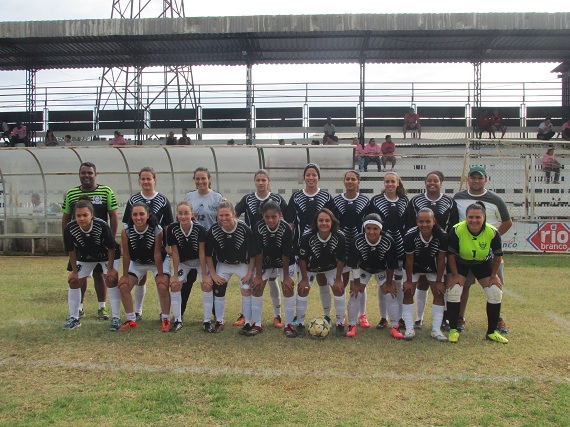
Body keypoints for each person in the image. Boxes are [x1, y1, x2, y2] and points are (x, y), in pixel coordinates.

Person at [452, 166, 512, 334]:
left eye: (480, 177)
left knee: (495, 285)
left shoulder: (496, 199)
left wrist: (490, 239)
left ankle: (496, 318)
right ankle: (459, 317)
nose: (476, 180)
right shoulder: (458, 197)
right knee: (463, 286)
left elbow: (507, 222)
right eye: (473, 177)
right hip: (464, 253)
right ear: (468, 179)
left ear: (486, 179)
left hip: (489, 254)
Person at [61, 162, 119, 321]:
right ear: (79, 174)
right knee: (79, 276)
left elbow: (113, 215)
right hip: (81, 243)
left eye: (89, 173)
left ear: (95, 174)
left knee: (100, 276)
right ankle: (78, 308)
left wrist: (111, 240)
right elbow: (66, 217)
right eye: (83, 173)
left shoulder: (106, 191)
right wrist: (68, 240)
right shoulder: (71, 193)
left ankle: (102, 308)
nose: (86, 176)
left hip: (102, 244)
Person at [446, 202, 508, 344]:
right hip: (461, 262)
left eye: (478, 217)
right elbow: (450, 255)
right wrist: (455, 275)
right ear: (466, 218)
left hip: (483, 263)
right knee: (454, 290)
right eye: (470, 217)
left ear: (484, 217)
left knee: (495, 292)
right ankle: (453, 330)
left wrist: (493, 276)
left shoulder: (492, 232)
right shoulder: (456, 230)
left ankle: (491, 332)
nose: (474, 220)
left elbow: (498, 256)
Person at [235, 169, 288, 328]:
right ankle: (246, 314)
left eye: (263, 180)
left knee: (272, 280)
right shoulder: (248, 199)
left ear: (268, 181)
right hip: (254, 246)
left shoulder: (277, 199)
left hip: (274, 246)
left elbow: (286, 218)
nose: (260, 183)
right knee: (252, 280)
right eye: (258, 180)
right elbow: (234, 215)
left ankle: (277, 315)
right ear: (254, 182)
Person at [285, 163, 335, 325]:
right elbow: (291, 223)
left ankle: (327, 315)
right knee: (303, 281)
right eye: (308, 175)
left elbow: (331, 224)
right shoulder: (296, 197)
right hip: (302, 248)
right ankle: (298, 317)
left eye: (314, 175)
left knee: (322, 279)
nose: (311, 178)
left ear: (318, 177)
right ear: (304, 177)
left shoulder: (327, 197)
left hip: (323, 247)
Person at [405, 170, 456, 329]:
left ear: (441, 183)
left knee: (440, 283)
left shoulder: (449, 202)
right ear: (425, 183)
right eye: (429, 181)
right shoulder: (415, 201)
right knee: (421, 281)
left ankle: (442, 319)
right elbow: (409, 224)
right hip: (419, 247)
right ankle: (418, 319)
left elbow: (454, 225)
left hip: (440, 248)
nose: (432, 183)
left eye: (435, 181)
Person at [122, 167, 174, 321]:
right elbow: (127, 223)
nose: (146, 181)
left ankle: (163, 314)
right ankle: (137, 312)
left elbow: (167, 225)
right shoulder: (133, 200)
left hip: (157, 247)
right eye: (143, 179)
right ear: (139, 181)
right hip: (138, 250)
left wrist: (168, 244)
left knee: (162, 283)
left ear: (154, 180)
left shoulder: (163, 200)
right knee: (139, 279)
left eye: (148, 178)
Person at [63, 199, 120, 330]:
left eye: (85, 215)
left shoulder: (102, 226)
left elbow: (112, 248)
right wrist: (74, 271)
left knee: (111, 280)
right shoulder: (70, 229)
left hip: (106, 256)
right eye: (78, 215)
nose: (82, 218)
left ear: (92, 215)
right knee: (73, 281)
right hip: (85, 257)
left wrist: (110, 269)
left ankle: (116, 318)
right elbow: (71, 250)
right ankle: (74, 317)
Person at [366, 172, 408, 336]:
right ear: (384, 184)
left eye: (393, 181)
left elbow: (408, 223)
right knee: (383, 282)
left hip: (399, 246)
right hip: (381, 245)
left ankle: (399, 318)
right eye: (387, 181)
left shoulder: (404, 201)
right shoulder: (376, 200)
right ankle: (384, 318)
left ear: (398, 183)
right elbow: (370, 222)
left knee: (397, 284)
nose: (390, 184)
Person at [117, 202, 170, 332]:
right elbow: (127, 254)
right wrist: (124, 275)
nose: (138, 217)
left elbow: (157, 253)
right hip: (138, 262)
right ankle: (131, 320)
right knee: (123, 286)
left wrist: (161, 275)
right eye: (135, 214)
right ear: (131, 216)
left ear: (147, 215)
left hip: (158, 261)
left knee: (162, 286)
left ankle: (165, 319)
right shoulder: (126, 230)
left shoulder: (156, 229)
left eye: (142, 214)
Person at [205, 200, 255, 334]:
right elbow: (208, 255)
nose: (224, 218)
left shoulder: (244, 229)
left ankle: (248, 321)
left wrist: (249, 273)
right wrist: (213, 274)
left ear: (233, 214)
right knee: (219, 288)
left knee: (246, 289)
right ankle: (219, 321)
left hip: (242, 264)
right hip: (223, 264)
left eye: (227, 215)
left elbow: (252, 254)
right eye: (221, 215)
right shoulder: (214, 230)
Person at [295, 208, 346, 337]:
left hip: (330, 267)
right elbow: (302, 259)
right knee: (303, 289)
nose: (324, 223)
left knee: (339, 289)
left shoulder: (339, 236)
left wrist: (339, 279)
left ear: (332, 222)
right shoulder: (307, 236)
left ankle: (340, 323)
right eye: (321, 220)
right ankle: (300, 324)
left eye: (327, 220)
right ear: (316, 222)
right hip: (310, 268)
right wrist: (304, 278)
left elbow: (341, 259)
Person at [346, 213, 398, 337]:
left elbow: (391, 265)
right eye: (368, 228)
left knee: (391, 294)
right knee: (355, 293)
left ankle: (395, 326)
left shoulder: (388, 241)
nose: (371, 232)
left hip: (381, 269)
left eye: (375, 229)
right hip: (363, 269)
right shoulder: (357, 240)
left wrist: (390, 283)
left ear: (380, 229)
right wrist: (357, 283)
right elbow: (354, 264)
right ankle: (352, 325)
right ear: (364, 228)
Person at [402, 208, 448, 341]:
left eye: (428, 221)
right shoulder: (410, 235)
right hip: (414, 268)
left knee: (439, 293)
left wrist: (439, 281)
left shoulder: (442, 235)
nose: (424, 224)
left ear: (434, 221)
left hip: (433, 268)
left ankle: (436, 329)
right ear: (416, 222)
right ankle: (409, 328)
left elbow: (441, 259)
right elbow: (409, 260)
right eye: (421, 221)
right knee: (408, 291)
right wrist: (409, 281)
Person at [184, 167, 223, 319]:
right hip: (193, 245)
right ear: (194, 180)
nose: (200, 181)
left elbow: (222, 220)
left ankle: (215, 315)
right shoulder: (189, 197)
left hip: (211, 245)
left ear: (209, 179)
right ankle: (179, 314)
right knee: (187, 281)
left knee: (211, 280)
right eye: (197, 179)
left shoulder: (217, 198)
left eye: (203, 178)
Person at [251, 200, 295, 336]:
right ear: (262, 216)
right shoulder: (258, 227)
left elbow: (286, 254)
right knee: (257, 288)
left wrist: (286, 277)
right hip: (266, 261)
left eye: (274, 217)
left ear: (280, 215)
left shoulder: (286, 228)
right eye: (267, 217)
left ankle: (288, 324)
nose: (270, 220)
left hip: (285, 262)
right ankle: (257, 324)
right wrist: (258, 276)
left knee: (288, 288)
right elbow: (258, 252)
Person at [333, 170, 371, 329]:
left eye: (353, 179)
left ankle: (362, 315)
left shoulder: (365, 201)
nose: (350, 181)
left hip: (360, 247)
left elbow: (369, 225)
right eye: (347, 179)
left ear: (358, 182)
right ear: (344, 182)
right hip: (342, 247)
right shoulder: (336, 201)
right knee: (343, 280)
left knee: (360, 282)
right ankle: (341, 314)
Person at [167, 201, 208, 332]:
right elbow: (175, 252)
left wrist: (205, 275)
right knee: (174, 285)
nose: (183, 216)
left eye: (186, 213)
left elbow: (202, 253)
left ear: (192, 214)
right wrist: (174, 275)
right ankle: (178, 319)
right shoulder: (173, 228)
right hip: (184, 262)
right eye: (180, 213)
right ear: (177, 215)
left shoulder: (199, 229)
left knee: (207, 285)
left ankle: (207, 321)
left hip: (198, 261)